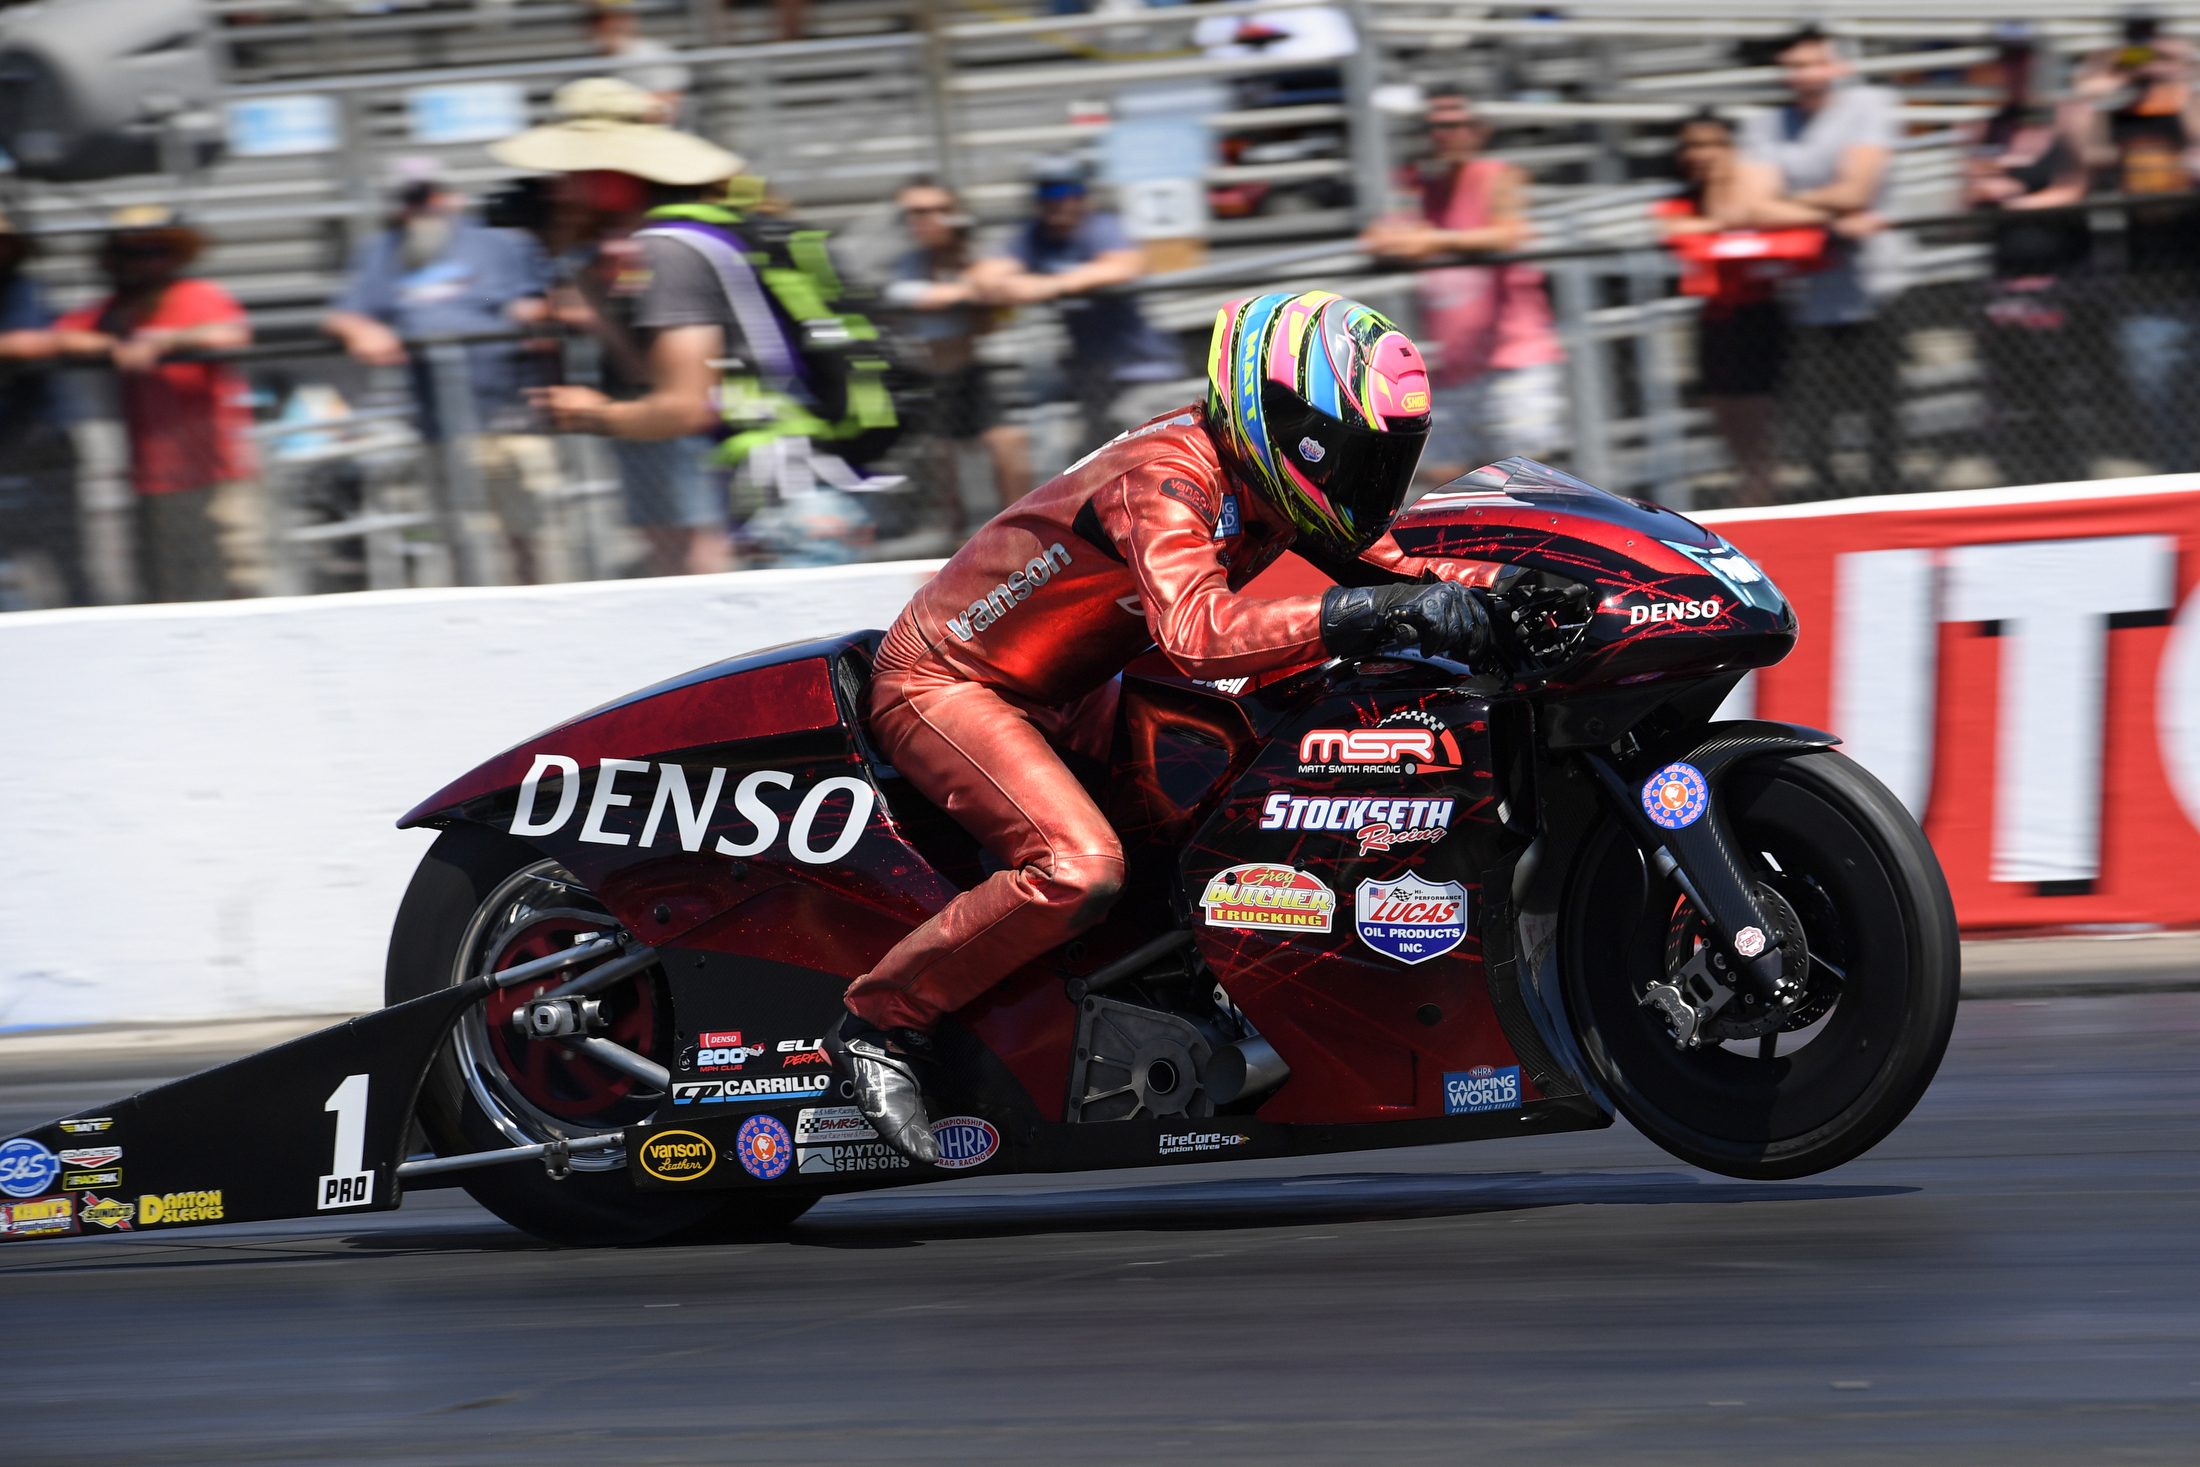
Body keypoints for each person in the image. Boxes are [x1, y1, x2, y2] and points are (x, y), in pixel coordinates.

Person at [821, 290, 1505, 1162]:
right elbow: (1198, 636)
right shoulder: (1166, 476)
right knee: (1080, 869)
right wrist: (1363, 611)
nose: (1366, 480)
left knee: (1229, 776)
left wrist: (1516, 589)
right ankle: (880, 1021)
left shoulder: (1271, 479)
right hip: (948, 680)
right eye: (1353, 454)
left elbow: (1399, 564)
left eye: (1385, 460)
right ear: (1280, 417)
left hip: (1074, 683)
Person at [323, 159, 558, 585]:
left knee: (527, 533)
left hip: (510, 417)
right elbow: (344, 315)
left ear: (451, 196)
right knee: (456, 536)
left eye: (428, 195)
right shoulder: (383, 251)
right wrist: (361, 328)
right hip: (440, 426)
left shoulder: (500, 244)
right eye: (410, 198)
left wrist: (534, 318)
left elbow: (549, 304)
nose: (421, 207)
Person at [1359, 87, 1565, 489]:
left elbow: (1510, 233)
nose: (1443, 135)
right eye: (1434, 126)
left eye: (1453, 125)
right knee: (1442, 486)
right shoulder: (1418, 187)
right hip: (1453, 368)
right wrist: (1410, 223)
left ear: (1478, 130)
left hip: (1513, 361)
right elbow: (1378, 238)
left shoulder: (1500, 177)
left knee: (1526, 487)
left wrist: (1435, 241)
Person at [51, 207, 258, 604]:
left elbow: (232, 334)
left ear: (175, 256)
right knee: (169, 593)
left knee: (242, 581)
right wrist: (112, 346)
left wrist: (164, 342)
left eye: (157, 250)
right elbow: (57, 338)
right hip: (155, 481)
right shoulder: (111, 312)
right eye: (135, 252)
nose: (147, 262)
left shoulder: (199, 296)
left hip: (221, 471)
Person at [1739, 26, 1908, 495]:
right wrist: (1832, 218)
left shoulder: (1870, 105)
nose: (1804, 76)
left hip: (1873, 289)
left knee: (1882, 420)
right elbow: (1752, 205)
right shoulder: (1766, 124)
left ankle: (1886, 502)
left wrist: (1789, 207)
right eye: (1794, 67)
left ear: (1838, 66)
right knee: (1816, 427)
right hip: (1806, 296)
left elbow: (1859, 188)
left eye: (1814, 63)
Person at [1653, 111, 1828, 507]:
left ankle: (1760, 503)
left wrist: (1741, 218)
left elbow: (1808, 226)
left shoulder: (1754, 194)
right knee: (1729, 424)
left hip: (1759, 318)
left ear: (1731, 150)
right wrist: (1727, 223)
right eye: (1693, 146)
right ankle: (1755, 496)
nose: (1702, 154)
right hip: (1715, 321)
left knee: (1758, 433)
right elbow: (1675, 230)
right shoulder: (1683, 200)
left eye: (1712, 145)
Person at [968, 160, 1184, 455]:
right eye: (1047, 192)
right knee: (1091, 467)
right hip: (1093, 380)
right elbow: (984, 276)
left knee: (1146, 458)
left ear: (1084, 196)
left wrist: (1049, 285)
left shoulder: (1101, 227)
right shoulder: (1036, 235)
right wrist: (1017, 285)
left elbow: (1124, 266)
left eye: (1066, 190)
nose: (1057, 201)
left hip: (1142, 374)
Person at [1966, 31, 2094, 488]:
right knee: (2009, 394)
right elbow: (1965, 203)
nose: (2015, 70)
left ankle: (2071, 481)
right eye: (2007, 60)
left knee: (2064, 394)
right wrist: (1980, 192)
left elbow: (2079, 185)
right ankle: (2021, 480)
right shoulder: (1986, 128)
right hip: (2006, 286)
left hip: (2064, 283)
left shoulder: (2068, 118)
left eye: (2023, 60)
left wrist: (2020, 201)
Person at [2075, 14, 2200, 473]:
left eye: (2149, 43)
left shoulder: (2186, 103)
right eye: (2133, 45)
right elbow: (2088, 159)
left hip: (2193, 276)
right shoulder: (2114, 115)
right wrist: (2095, 91)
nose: (2142, 55)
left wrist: (2180, 79)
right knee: (2164, 414)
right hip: (2147, 289)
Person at [883, 178, 1031, 528]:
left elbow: (998, 297)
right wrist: (965, 293)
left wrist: (972, 288)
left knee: (1007, 447)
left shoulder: (972, 257)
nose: (929, 219)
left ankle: (1020, 533)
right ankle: (957, 542)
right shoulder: (910, 263)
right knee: (942, 460)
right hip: (927, 374)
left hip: (971, 371)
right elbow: (909, 296)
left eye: (939, 211)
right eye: (917, 212)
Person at [0, 210, 91, 607]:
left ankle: (86, 627)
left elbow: (30, 342)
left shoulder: (21, 289)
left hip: (38, 446)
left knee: (63, 557)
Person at [586, 0, 691, 124]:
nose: (606, 25)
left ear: (632, 18)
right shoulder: (589, 60)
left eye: (616, 17)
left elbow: (663, 111)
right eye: (596, 20)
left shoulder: (656, 56)